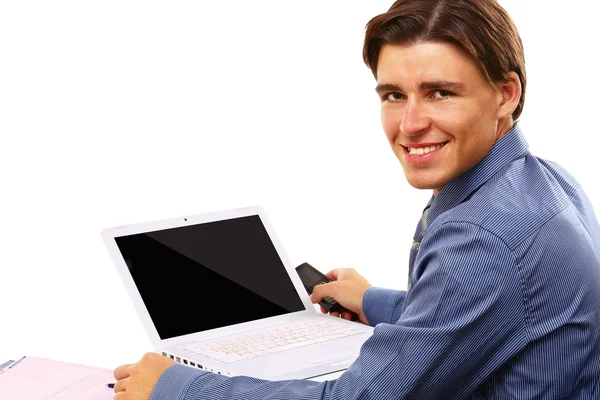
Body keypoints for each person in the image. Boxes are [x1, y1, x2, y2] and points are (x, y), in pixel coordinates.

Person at [111, 0, 600, 398]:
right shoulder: (545, 184)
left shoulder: (483, 236)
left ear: (506, 94)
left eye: (439, 93)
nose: (409, 125)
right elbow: (475, 314)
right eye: (393, 95)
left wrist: (180, 385)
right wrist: (372, 302)